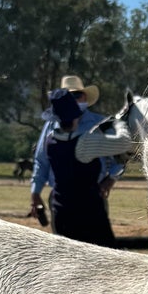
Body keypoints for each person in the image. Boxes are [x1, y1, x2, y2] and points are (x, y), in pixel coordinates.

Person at [29, 87, 129, 246]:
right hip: (89, 210)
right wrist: (118, 122)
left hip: (61, 209)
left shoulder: (50, 140)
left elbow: (41, 161)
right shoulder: (84, 143)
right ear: (76, 115)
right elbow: (124, 143)